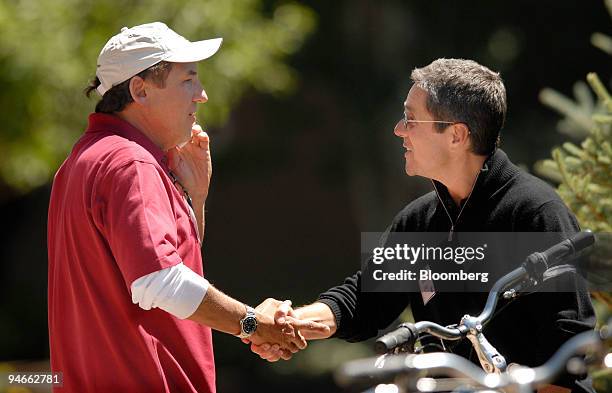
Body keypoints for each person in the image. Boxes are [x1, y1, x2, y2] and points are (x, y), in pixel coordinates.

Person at [246, 59, 596, 393]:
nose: (399, 130)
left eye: (411, 120)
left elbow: (568, 343)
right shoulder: (419, 221)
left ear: (457, 135)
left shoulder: (536, 212)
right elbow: (365, 302)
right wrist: (289, 321)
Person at [47, 22, 328, 393]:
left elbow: (159, 272)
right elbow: (159, 281)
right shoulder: (132, 162)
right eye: (188, 80)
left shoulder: (82, 160)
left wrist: (194, 196)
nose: (202, 95)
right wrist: (252, 323)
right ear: (140, 89)